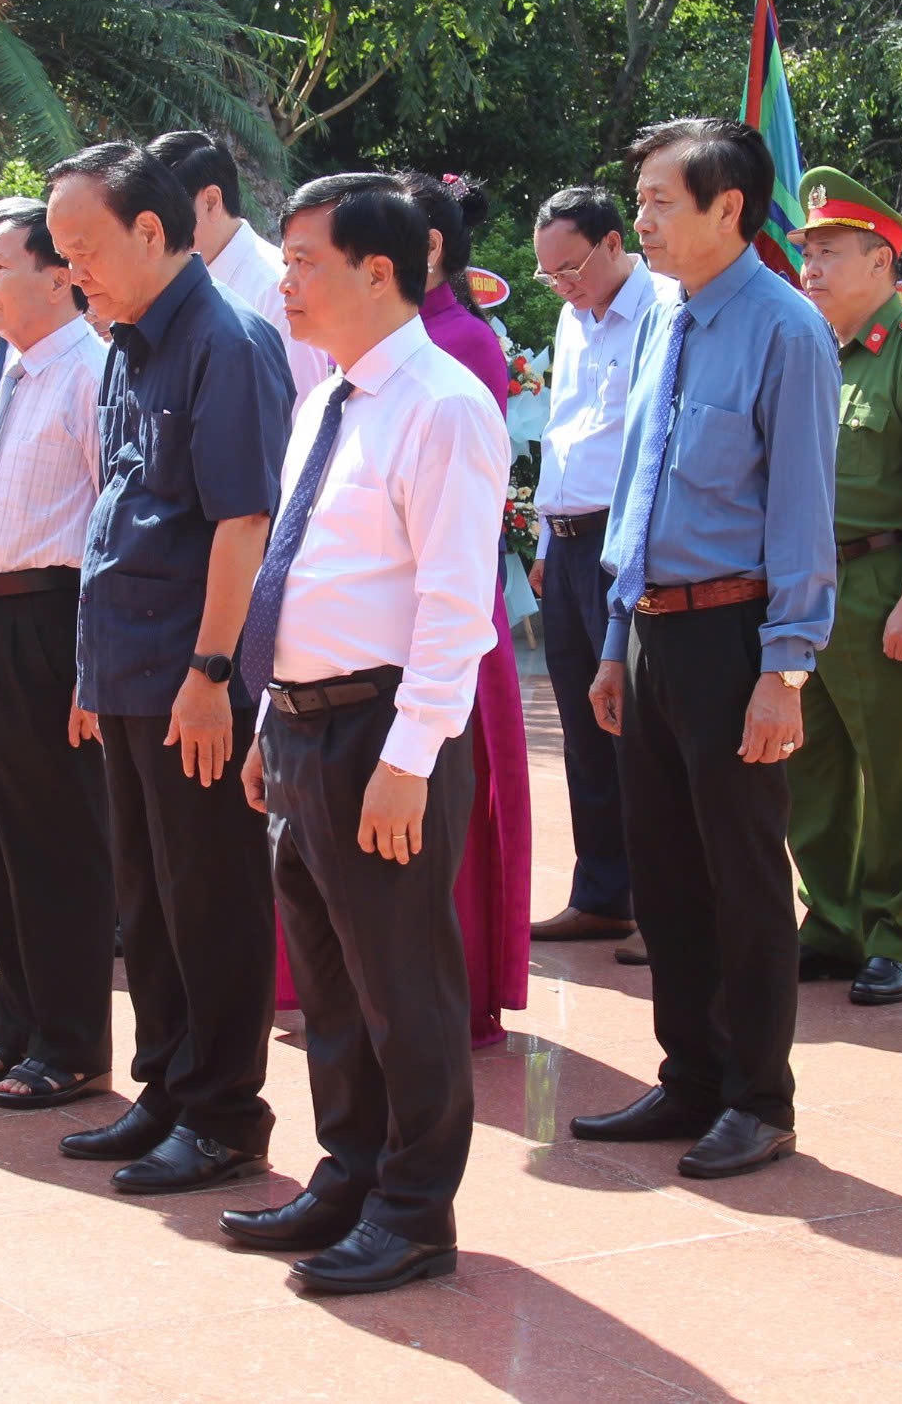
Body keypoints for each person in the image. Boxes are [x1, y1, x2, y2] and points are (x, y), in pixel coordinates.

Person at [219, 172, 507, 1294]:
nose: (284, 281)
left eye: (304, 261)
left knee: (403, 983)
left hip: (384, 729)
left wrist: (409, 758)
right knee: (333, 985)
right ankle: (348, 1172)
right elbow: (299, 572)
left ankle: (414, 1210)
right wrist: (265, 720)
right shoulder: (326, 400)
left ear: (377, 271)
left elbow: (455, 603)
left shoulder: (442, 405)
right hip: (302, 726)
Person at [570, 117, 837, 1181]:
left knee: (743, 876)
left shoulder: (785, 330)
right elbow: (638, 488)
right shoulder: (665, 320)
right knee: (667, 874)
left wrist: (785, 670)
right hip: (648, 632)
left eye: (660, 202)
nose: (641, 221)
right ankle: (689, 1075)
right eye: (639, 200)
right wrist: (611, 641)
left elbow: (802, 513)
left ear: (730, 208)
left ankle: (759, 1097)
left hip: (735, 636)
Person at [47, 141, 293, 1195]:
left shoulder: (227, 343)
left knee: (210, 897)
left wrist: (211, 671)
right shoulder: (127, 343)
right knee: (145, 895)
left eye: (84, 249)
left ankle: (225, 1113)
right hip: (126, 665)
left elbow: (243, 521)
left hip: (191, 674)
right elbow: (118, 507)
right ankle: (168, 1086)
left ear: (151, 231)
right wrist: (90, 671)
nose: (73, 272)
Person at [0, 197, 116, 1106]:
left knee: (56, 844)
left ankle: (73, 1042)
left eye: (1, 263)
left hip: (50, 620)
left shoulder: (92, 371)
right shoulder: (2, 367)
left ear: (60, 278)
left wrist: (91, 660)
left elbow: (110, 527)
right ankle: (19, 1029)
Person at [784, 166, 902, 1006]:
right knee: (812, 766)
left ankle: (898, 933)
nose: (812, 267)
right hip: (810, 584)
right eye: (808, 252)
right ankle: (832, 921)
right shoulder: (813, 350)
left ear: (881, 261)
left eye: (830, 252)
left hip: (883, 576)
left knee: (897, 770)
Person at [391, 170, 532, 1046]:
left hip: (446, 609)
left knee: (448, 806)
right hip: (382, 612)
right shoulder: (388, 341)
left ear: (429, 248)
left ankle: (458, 989)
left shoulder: (463, 343)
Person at [526, 185, 673, 951]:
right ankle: (602, 892)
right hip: (567, 543)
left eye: (572, 267)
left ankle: (661, 903)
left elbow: (655, 443)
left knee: (638, 730)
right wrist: (545, 545)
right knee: (585, 731)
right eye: (549, 273)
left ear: (616, 243)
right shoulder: (571, 317)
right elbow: (563, 426)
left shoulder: (663, 310)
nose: (563, 285)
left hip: (624, 546)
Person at [146, 129, 335, 396]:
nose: (153, 232)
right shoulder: (170, 283)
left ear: (211, 202)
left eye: (163, 215)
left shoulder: (277, 290)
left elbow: (300, 407)